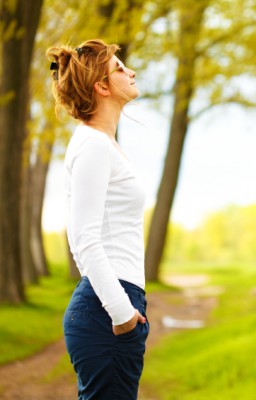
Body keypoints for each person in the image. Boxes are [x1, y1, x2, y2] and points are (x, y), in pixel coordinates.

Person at [47, 39, 149, 399]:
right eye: (119, 67)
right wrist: (122, 313)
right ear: (101, 86)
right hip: (108, 310)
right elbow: (84, 238)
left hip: (113, 305)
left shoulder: (103, 143)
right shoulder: (92, 144)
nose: (131, 71)